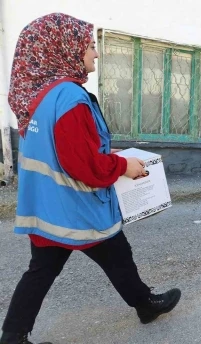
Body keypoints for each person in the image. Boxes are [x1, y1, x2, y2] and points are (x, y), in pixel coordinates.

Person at [1, 13, 181, 344]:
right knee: (116, 253)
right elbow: (84, 165)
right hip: (79, 208)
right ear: (66, 49)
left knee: (41, 271)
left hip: (46, 209)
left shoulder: (36, 98)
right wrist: (124, 166)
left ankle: (13, 335)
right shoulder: (69, 98)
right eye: (90, 45)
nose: (95, 53)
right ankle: (145, 305)